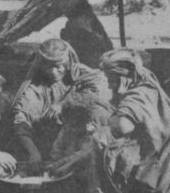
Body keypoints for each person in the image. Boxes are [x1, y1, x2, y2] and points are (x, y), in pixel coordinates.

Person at [48, 48, 170, 193]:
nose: (108, 84)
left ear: (124, 76)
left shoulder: (136, 97)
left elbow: (122, 126)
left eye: (111, 79)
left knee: (102, 138)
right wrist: (72, 160)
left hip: (164, 173)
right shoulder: (149, 84)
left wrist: (102, 129)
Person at [10, 38, 110, 174]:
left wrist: (64, 103)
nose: (53, 71)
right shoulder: (37, 87)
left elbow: (98, 94)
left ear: (68, 62)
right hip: (50, 142)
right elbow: (21, 119)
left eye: (58, 66)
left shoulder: (83, 76)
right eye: (48, 66)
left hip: (81, 139)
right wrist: (33, 152)